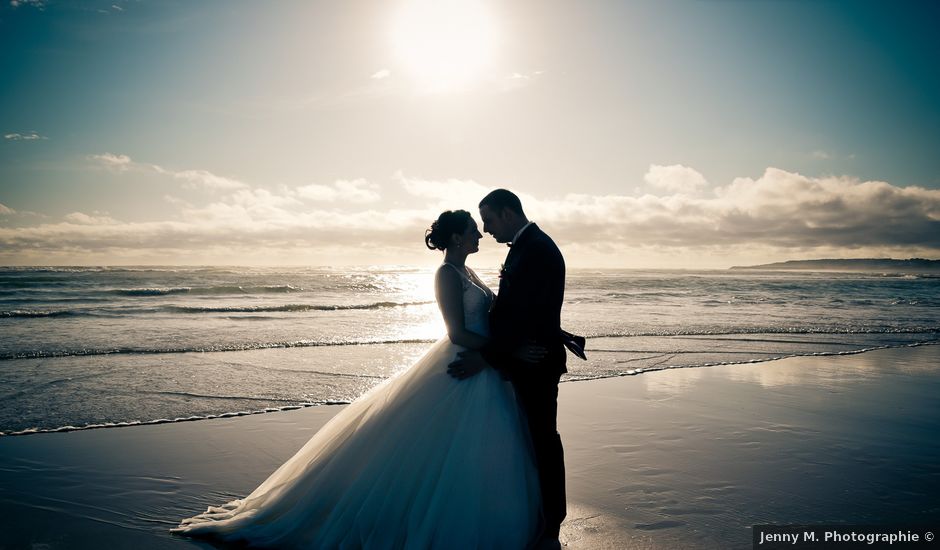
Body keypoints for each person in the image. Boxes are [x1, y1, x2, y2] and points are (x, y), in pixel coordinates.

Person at [171, 209, 542, 549]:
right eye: (473, 230)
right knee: (442, 447)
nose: (480, 235)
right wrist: (505, 352)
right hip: (464, 362)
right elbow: (456, 333)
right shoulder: (446, 274)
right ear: (458, 238)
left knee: (476, 448)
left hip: (484, 363)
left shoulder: (467, 271)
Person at [448, 189, 568, 549]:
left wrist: (487, 357)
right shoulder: (527, 246)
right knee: (531, 441)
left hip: (534, 361)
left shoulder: (536, 250)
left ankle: (550, 527)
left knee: (543, 442)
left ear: (507, 213)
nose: (486, 230)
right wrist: (501, 353)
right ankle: (536, 516)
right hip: (522, 358)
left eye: (488, 220)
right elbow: (514, 313)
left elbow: (528, 315)